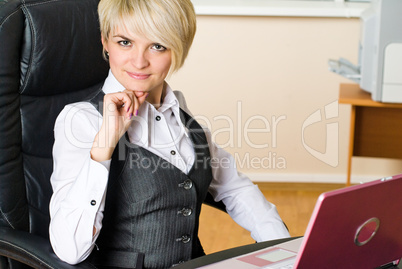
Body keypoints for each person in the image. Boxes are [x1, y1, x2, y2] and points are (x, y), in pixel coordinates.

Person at [48, 0, 290, 268]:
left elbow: (235, 188)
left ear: (177, 48)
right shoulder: (81, 120)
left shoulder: (182, 115)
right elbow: (68, 249)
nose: (139, 62)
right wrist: (105, 143)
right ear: (105, 41)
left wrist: (285, 250)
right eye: (124, 42)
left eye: (157, 46)